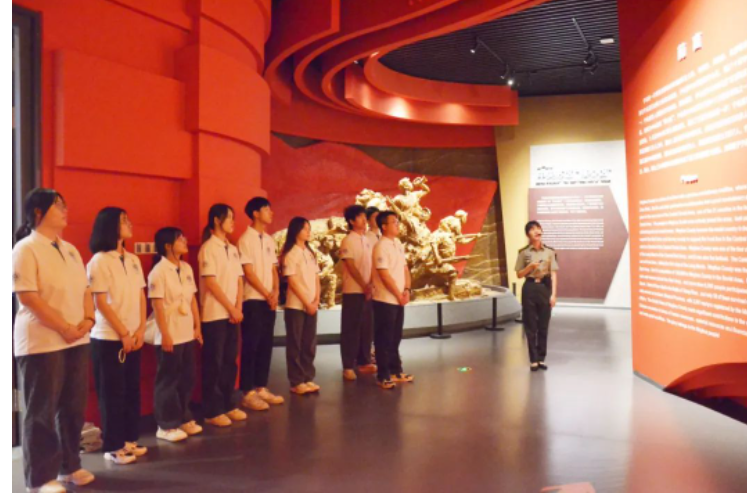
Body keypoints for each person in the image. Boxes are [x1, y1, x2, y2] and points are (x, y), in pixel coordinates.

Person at [13, 189, 96, 493]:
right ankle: (39, 479)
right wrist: (64, 327)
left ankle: (70, 466)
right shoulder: (25, 248)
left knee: (73, 407)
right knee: (41, 412)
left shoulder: (70, 249)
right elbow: (28, 297)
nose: (65, 209)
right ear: (38, 212)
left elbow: (85, 290)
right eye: (58, 205)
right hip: (42, 341)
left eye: (64, 204)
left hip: (76, 339)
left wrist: (88, 320)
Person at [88, 207, 148, 465]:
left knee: (132, 389)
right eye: (124, 220)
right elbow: (100, 302)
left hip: (133, 336)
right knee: (112, 393)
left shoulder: (133, 259)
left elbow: (141, 296)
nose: (130, 223)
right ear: (110, 225)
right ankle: (113, 446)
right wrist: (123, 332)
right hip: (108, 338)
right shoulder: (99, 260)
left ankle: (129, 439)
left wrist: (140, 329)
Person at [148, 227, 203, 443]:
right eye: (180, 239)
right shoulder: (158, 271)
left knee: (187, 377)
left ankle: (183, 416)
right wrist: (165, 334)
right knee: (168, 380)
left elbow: (192, 299)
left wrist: (197, 326)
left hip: (186, 331)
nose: (185, 241)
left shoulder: (186, 268)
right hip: (169, 332)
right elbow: (157, 306)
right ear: (167, 245)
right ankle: (166, 424)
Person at [198, 204, 247, 427]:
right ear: (217, 220)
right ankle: (212, 410)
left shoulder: (232, 249)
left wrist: (238, 307)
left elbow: (239, 279)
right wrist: (231, 308)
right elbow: (211, 283)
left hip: (232, 314)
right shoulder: (208, 248)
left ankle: (229, 403)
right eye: (229, 218)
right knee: (214, 363)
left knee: (230, 361)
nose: (233, 222)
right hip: (214, 314)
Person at [238, 197, 284, 412]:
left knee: (266, 343)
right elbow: (248, 272)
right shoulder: (245, 239)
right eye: (266, 209)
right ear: (255, 213)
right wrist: (266, 293)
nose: (271, 213)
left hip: (269, 300)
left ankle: (261, 386)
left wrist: (275, 292)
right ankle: (247, 392)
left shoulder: (269, 239)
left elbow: (274, 269)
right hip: (253, 300)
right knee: (251, 345)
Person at [372, 211, 415, 390]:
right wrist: (398, 294)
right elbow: (384, 274)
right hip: (385, 300)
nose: (397, 225)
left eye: (397, 222)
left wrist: (407, 289)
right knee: (384, 339)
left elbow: (405, 269)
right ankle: (383, 375)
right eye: (394, 222)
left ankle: (396, 370)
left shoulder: (397, 244)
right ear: (384, 226)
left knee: (395, 337)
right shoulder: (380, 246)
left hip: (399, 298)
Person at [281, 217, 321, 395]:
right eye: (305, 229)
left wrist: (316, 299)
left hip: (311, 304)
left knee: (309, 342)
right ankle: (296, 380)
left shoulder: (310, 253)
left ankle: (307, 377)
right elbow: (292, 281)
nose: (308, 232)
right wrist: (306, 302)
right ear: (296, 230)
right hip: (296, 306)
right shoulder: (291, 254)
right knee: (295, 343)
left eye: (309, 228)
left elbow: (316, 277)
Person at [339, 205, 377, 381]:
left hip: (368, 290)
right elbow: (350, 265)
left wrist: (371, 284)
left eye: (364, 216)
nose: (364, 220)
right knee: (351, 328)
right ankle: (348, 366)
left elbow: (373, 264)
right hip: (353, 291)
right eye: (360, 217)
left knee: (366, 327)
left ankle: (364, 361)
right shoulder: (348, 240)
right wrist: (363, 284)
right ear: (352, 221)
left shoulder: (368, 240)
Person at [515, 221, 559, 372]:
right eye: (533, 229)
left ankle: (541, 358)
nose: (537, 231)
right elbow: (519, 274)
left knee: (543, 325)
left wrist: (553, 295)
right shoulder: (523, 252)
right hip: (529, 288)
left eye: (538, 229)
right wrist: (529, 267)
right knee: (530, 325)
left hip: (545, 288)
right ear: (528, 234)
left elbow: (553, 274)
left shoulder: (550, 252)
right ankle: (533, 359)